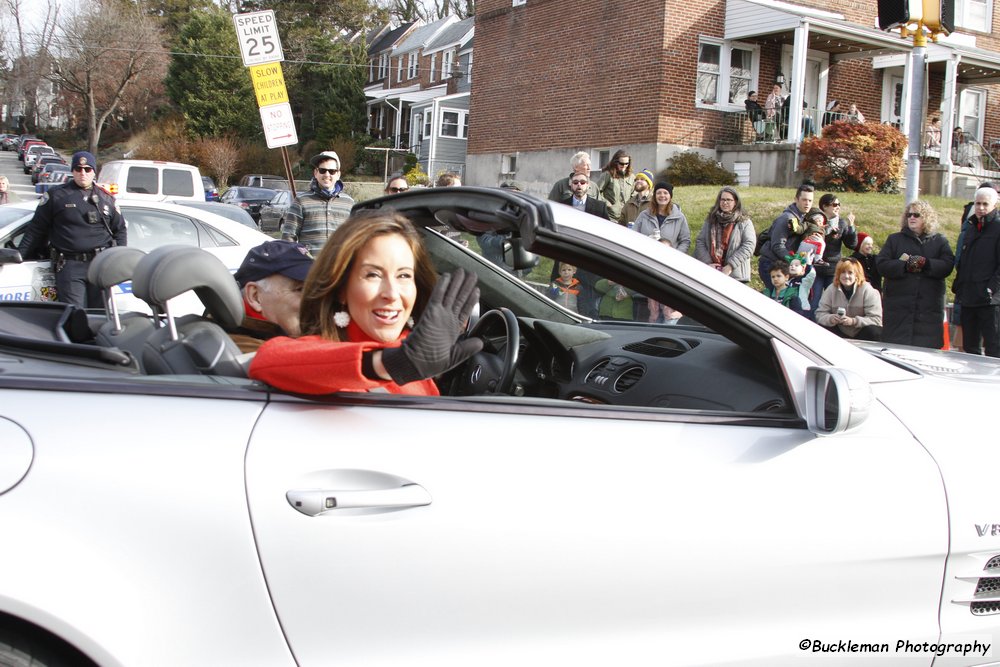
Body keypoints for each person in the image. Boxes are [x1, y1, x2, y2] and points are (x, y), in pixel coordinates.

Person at [250, 210, 483, 395]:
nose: (392, 293)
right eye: (373, 275)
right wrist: (393, 364)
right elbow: (268, 360)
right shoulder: (324, 352)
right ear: (341, 289)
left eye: (403, 275)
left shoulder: (414, 348)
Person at [18, 151, 127, 308]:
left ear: (94, 171)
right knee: (76, 316)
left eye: (87, 169)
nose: (83, 173)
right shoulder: (56, 196)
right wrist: (19, 256)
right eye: (78, 169)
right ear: (72, 171)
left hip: (100, 265)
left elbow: (120, 231)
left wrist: (120, 261)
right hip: (70, 265)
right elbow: (36, 229)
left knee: (100, 315)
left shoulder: (106, 198)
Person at [875, 201, 954, 349]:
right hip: (898, 312)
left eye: (916, 215)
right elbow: (881, 264)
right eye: (909, 214)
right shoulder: (894, 239)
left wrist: (927, 263)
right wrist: (904, 265)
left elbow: (947, 265)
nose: (912, 218)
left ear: (926, 218)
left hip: (928, 311)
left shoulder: (940, 241)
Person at [226, 240, 314, 353]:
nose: (316, 300)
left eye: (316, 290)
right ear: (255, 296)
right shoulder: (252, 354)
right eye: (300, 289)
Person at [952, 186, 1000, 357]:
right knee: (970, 348)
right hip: (969, 296)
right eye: (978, 203)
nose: (980, 208)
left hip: (990, 301)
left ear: (995, 204)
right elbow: (963, 260)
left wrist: (991, 289)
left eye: (985, 204)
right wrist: (960, 285)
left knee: (994, 347)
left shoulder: (997, 227)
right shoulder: (971, 226)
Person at [281, 151, 354, 255]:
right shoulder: (301, 201)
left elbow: (355, 238)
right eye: (322, 170)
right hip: (308, 268)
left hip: (339, 267)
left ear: (338, 174)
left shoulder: (349, 203)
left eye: (332, 171)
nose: (327, 174)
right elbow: (288, 238)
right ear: (316, 173)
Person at [757, 183, 814, 289]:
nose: (807, 203)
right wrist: (793, 260)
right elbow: (777, 245)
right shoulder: (786, 218)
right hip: (770, 264)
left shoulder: (804, 218)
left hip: (783, 265)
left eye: (810, 201)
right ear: (796, 199)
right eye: (804, 200)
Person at [694, 186, 755, 282]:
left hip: (736, 276)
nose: (725, 202)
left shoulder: (744, 222)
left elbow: (749, 245)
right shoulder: (711, 220)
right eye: (722, 199)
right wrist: (708, 263)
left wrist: (730, 266)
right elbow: (700, 241)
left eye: (729, 200)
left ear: (735, 202)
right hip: (712, 274)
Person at [815, 258, 882, 341]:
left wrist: (853, 321)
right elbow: (819, 314)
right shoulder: (831, 289)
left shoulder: (869, 291)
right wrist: (831, 318)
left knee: (874, 331)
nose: (846, 276)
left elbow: (876, 319)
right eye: (843, 272)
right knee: (821, 328)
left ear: (857, 275)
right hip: (839, 331)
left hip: (862, 332)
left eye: (850, 273)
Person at [814, 194, 858, 302]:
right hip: (816, 269)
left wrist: (851, 226)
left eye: (839, 204)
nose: (838, 207)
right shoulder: (815, 221)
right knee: (814, 300)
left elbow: (851, 244)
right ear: (824, 206)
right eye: (835, 204)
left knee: (834, 302)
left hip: (833, 269)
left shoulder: (841, 223)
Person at [632, 181, 690, 252]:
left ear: (670, 196)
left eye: (665, 193)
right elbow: (633, 236)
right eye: (659, 193)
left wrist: (675, 256)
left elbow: (685, 241)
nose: (662, 195)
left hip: (668, 260)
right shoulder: (644, 215)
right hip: (646, 257)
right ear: (655, 196)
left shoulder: (679, 217)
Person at [596, 149, 635, 224]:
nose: (624, 166)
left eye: (626, 164)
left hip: (626, 217)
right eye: (621, 163)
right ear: (615, 162)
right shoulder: (607, 175)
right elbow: (597, 191)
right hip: (610, 216)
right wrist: (607, 204)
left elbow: (634, 194)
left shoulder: (632, 177)